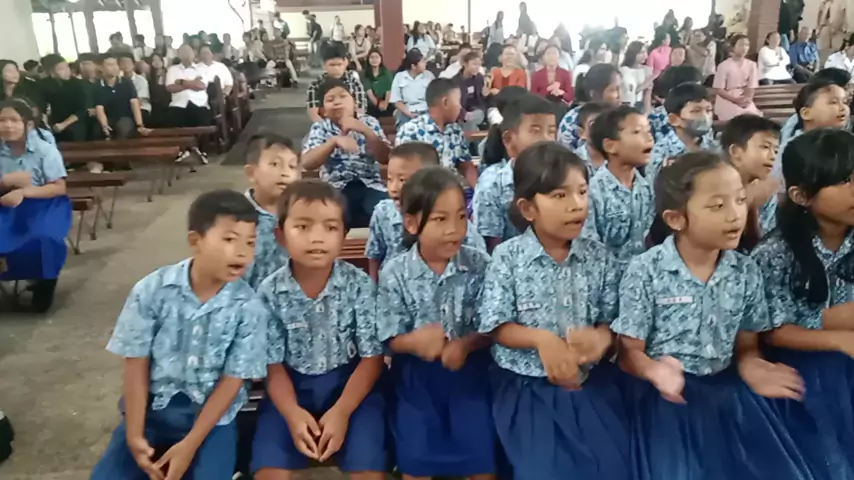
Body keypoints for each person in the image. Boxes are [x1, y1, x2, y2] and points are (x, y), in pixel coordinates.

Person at [614, 151, 817, 479]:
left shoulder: (745, 270)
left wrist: (751, 364)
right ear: (676, 219)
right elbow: (628, 352)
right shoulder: (646, 270)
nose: (735, 215)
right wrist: (655, 370)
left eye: (740, 200)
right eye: (717, 205)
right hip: (667, 399)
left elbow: (746, 344)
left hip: (724, 392)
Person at [478, 141, 630, 480]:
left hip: (590, 383)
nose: (577, 204)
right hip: (528, 387)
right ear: (528, 208)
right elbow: (496, 324)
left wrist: (601, 338)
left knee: (613, 465)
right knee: (545, 470)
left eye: (582, 192)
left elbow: (610, 320)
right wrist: (541, 340)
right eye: (560, 195)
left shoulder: (599, 257)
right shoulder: (508, 258)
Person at [90, 189, 265, 480]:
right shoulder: (152, 290)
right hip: (152, 414)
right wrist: (134, 434)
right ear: (195, 241)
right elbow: (135, 365)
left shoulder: (249, 307)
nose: (242, 252)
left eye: (250, 242)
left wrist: (190, 444)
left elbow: (232, 381)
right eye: (229, 239)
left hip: (213, 421)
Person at [250, 180, 387, 480]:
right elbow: (273, 365)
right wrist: (292, 414)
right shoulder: (269, 292)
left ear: (344, 236)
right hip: (290, 389)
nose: (316, 238)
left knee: (368, 471)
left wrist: (341, 412)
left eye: (330, 227)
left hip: (352, 388)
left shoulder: (359, 286)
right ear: (281, 236)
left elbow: (372, 358)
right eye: (302, 226)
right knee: (269, 472)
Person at [376, 166, 494, 480]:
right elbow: (387, 333)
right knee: (416, 458)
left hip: (471, 374)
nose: (454, 229)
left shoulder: (480, 264)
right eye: (440, 219)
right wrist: (411, 342)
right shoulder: (395, 273)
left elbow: (494, 324)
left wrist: (466, 344)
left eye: (461, 217)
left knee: (480, 457)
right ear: (412, 223)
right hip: (416, 380)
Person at [752, 129, 854, 476]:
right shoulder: (776, 253)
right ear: (801, 195)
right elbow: (773, 329)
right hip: (807, 363)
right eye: (844, 181)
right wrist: (839, 334)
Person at [366, 142, 485, 280]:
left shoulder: (461, 228)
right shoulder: (383, 212)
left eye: (403, 180)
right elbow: (375, 256)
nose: (393, 188)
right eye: (389, 179)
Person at [0, 98, 70, 312]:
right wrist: (5, 182)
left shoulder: (45, 150)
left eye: (14, 120)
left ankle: (45, 284)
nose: (8, 126)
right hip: (5, 204)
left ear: (28, 124)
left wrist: (24, 191)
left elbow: (58, 187)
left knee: (43, 239)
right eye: (2, 120)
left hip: (44, 203)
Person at [302, 79, 390, 228]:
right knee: (330, 216)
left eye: (343, 96)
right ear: (323, 110)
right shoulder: (320, 127)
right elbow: (307, 162)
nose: (337, 102)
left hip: (371, 184)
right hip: (336, 188)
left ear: (354, 102)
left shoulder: (369, 122)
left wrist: (366, 131)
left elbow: (385, 158)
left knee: (388, 213)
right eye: (330, 100)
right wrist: (333, 142)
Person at [473, 94, 556, 251]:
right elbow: (490, 247)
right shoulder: (492, 184)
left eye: (551, 132)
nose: (546, 139)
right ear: (508, 139)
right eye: (535, 131)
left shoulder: (562, 176)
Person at [581, 105, 655, 261]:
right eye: (637, 132)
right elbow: (589, 247)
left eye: (648, 131)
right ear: (610, 146)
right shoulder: (593, 192)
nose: (649, 137)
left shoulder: (647, 188)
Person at [241, 133, 300, 289]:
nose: (285, 172)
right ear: (251, 173)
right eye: (275, 164)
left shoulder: (301, 215)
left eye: (292, 166)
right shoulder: (236, 218)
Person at [395, 78, 477, 190]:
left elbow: (466, 165)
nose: (460, 107)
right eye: (458, 101)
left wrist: (478, 190)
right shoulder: (411, 131)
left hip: (454, 191)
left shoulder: (456, 130)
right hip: (424, 192)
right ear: (445, 102)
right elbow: (404, 174)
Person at [719, 114, 781, 242]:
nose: (773, 156)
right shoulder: (713, 186)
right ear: (736, 152)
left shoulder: (758, 187)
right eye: (765, 147)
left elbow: (756, 239)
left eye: (776, 150)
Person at [647, 82, 718, 184]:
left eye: (708, 110)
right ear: (674, 119)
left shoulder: (714, 147)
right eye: (696, 111)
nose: (705, 117)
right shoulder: (660, 153)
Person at [558, 63, 621, 150]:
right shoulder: (575, 122)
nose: (619, 95)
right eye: (613, 90)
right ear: (594, 94)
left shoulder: (614, 116)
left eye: (620, 88)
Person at [306, 42, 367, 123]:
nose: (336, 68)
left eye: (339, 64)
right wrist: (329, 128)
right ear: (324, 65)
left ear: (345, 62)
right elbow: (314, 115)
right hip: (324, 125)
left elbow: (360, 112)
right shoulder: (315, 85)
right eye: (332, 65)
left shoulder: (354, 83)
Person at [95, 53, 148, 140]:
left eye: (115, 64)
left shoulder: (127, 83)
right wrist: (104, 125)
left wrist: (140, 125)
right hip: (108, 118)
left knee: (124, 127)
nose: (114, 67)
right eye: (110, 65)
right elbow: (99, 108)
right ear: (101, 68)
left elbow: (134, 103)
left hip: (125, 117)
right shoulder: (97, 85)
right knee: (97, 130)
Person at [38, 54, 87, 143]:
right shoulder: (43, 85)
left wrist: (63, 124)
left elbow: (82, 109)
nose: (67, 71)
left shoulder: (77, 84)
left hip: (73, 123)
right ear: (51, 72)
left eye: (67, 67)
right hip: (52, 124)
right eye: (61, 69)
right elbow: (41, 107)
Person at [714, 34, 762, 121]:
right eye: (741, 45)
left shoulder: (752, 65)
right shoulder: (723, 65)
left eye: (747, 45)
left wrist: (747, 99)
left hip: (743, 97)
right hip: (727, 97)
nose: (744, 48)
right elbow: (719, 90)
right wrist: (735, 100)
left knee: (752, 116)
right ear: (733, 47)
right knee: (737, 116)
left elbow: (751, 86)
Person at [165, 44, 213, 129]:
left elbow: (201, 86)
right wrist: (193, 83)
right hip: (178, 105)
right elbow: (170, 88)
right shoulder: (172, 69)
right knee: (172, 119)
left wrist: (181, 82)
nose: (186, 54)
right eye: (183, 52)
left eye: (188, 52)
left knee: (202, 120)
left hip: (199, 104)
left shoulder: (201, 68)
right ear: (179, 55)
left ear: (193, 54)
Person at [390, 50, 434, 127]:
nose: (425, 64)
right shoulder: (399, 77)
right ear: (413, 66)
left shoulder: (429, 76)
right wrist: (409, 114)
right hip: (406, 112)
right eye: (422, 62)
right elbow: (396, 101)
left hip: (426, 111)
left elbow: (435, 97)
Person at [455, 51, 489, 132]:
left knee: (471, 118)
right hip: (461, 112)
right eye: (474, 64)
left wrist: (486, 93)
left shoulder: (479, 78)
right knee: (468, 121)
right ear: (465, 64)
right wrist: (464, 114)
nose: (477, 67)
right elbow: (455, 103)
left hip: (477, 109)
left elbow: (482, 99)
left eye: (479, 65)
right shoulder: (455, 81)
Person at [572, 101, 608, 176]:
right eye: (594, 124)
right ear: (581, 133)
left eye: (607, 124)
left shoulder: (619, 160)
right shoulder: (572, 161)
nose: (601, 129)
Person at [118, 53, 152, 128]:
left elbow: (139, 101)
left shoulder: (141, 80)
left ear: (133, 64)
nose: (126, 65)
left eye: (128, 63)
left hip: (141, 108)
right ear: (119, 65)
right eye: (123, 63)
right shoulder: (117, 80)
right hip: (123, 109)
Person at [619, 41, 652, 109]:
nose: (645, 56)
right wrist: (643, 86)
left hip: (639, 104)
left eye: (645, 52)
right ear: (633, 53)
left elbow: (647, 94)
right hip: (625, 103)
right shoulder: (623, 70)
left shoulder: (647, 70)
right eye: (641, 53)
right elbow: (626, 91)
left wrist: (647, 111)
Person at [362, 49, 394, 118]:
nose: (374, 59)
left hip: (386, 101)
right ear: (368, 60)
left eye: (377, 57)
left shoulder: (386, 73)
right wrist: (378, 104)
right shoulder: (365, 74)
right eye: (372, 57)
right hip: (372, 103)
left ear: (381, 59)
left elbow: (388, 91)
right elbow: (370, 93)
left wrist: (385, 104)